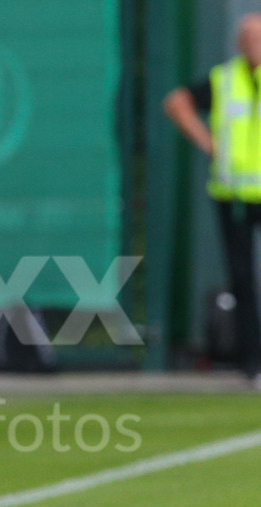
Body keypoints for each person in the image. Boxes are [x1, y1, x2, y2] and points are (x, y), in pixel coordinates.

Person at [164, 13, 261, 387]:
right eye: (247, 37)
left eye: (258, 37)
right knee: (241, 278)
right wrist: (208, 143)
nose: (252, 43)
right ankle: (251, 361)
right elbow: (176, 102)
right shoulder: (224, 80)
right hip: (234, 193)